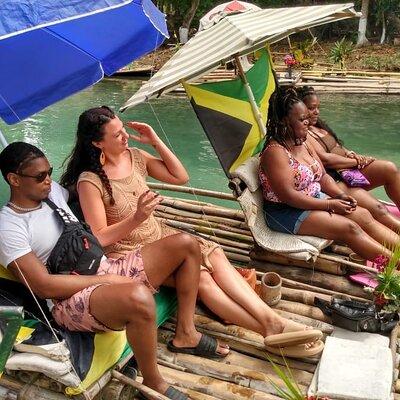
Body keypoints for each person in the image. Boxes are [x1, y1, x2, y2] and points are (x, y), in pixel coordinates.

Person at [60, 106, 324, 356]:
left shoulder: (136, 157)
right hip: (129, 253)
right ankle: (269, 329)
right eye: (117, 134)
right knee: (203, 278)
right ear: (97, 143)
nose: (125, 136)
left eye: (123, 129)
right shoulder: (90, 181)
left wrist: (155, 142)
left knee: (215, 253)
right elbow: (100, 237)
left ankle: (272, 322)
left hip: (158, 234)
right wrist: (137, 217)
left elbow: (180, 177)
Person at [0, 142, 231, 400]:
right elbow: (42, 286)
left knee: (187, 244)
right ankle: (154, 382)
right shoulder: (10, 227)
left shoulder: (53, 192)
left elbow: (81, 189)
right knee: (139, 298)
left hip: (103, 265)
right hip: (69, 300)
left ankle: (186, 333)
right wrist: (105, 279)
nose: (48, 180)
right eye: (40, 176)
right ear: (14, 180)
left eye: (50, 172)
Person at [259, 87, 399, 262]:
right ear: (285, 121)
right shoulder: (275, 153)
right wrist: (330, 204)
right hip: (287, 212)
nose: (307, 123)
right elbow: (289, 196)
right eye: (302, 119)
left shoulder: (302, 143)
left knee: (363, 215)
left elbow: (323, 176)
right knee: (349, 228)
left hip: (313, 199)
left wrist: (340, 195)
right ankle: (395, 265)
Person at [298, 86, 400, 231]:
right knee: (378, 208)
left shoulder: (319, 126)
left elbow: (337, 146)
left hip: (349, 170)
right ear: (300, 109)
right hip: (337, 179)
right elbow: (326, 159)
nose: (317, 112)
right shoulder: (303, 134)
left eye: (318, 107)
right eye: (312, 108)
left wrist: (351, 154)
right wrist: (356, 162)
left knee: (389, 168)